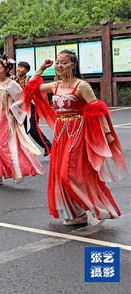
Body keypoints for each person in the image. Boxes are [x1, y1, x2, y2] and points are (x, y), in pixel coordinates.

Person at [22, 50, 126, 226]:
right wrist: (41, 68)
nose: (59, 66)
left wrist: (107, 133)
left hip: (78, 132)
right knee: (59, 173)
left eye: (64, 62)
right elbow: (30, 87)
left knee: (69, 173)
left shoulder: (82, 85)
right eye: (57, 63)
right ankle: (77, 214)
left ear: (73, 65)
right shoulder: (55, 85)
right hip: (61, 134)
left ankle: (98, 209)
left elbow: (97, 109)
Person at [0, 56, 44, 186]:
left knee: (1, 145)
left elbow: (23, 99)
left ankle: (17, 170)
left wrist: (13, 108)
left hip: (5, 119)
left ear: (7, 70)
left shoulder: (11, 84)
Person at [16, 61, 52, 156]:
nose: (18, 69)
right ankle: (20, 150)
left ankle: (48, 146)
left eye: (21, 67)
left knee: (32, 127)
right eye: (18, 67)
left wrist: (45, 104)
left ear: (27, 70)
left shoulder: (30, 80)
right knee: (22, 129)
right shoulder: (14, 80)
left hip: (32, 106)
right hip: (20, 107)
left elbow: (40, 92)